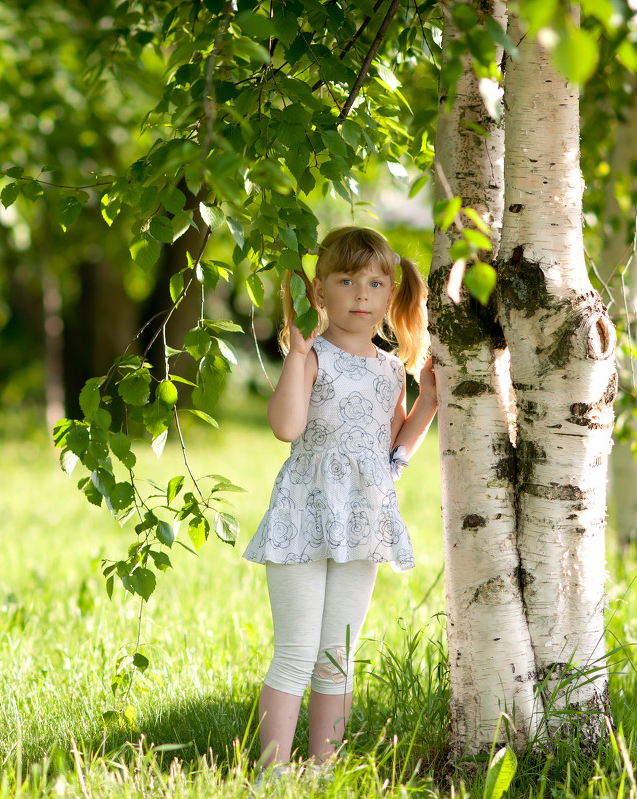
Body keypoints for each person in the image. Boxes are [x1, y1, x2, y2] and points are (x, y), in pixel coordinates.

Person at [243, 226, 437, 781]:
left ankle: (324, 772)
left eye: (375, 282)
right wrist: (296, 359)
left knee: (336, 658)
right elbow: (286, 428)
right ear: (318, 292)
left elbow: (395, 451)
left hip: (363, 517)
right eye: (347, 280)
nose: (361, 294)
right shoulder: (313, 355)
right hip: (305, 515)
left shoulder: (387, 369)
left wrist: (427, 398)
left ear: (390, 295)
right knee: (298, 652)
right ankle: (272, 776)